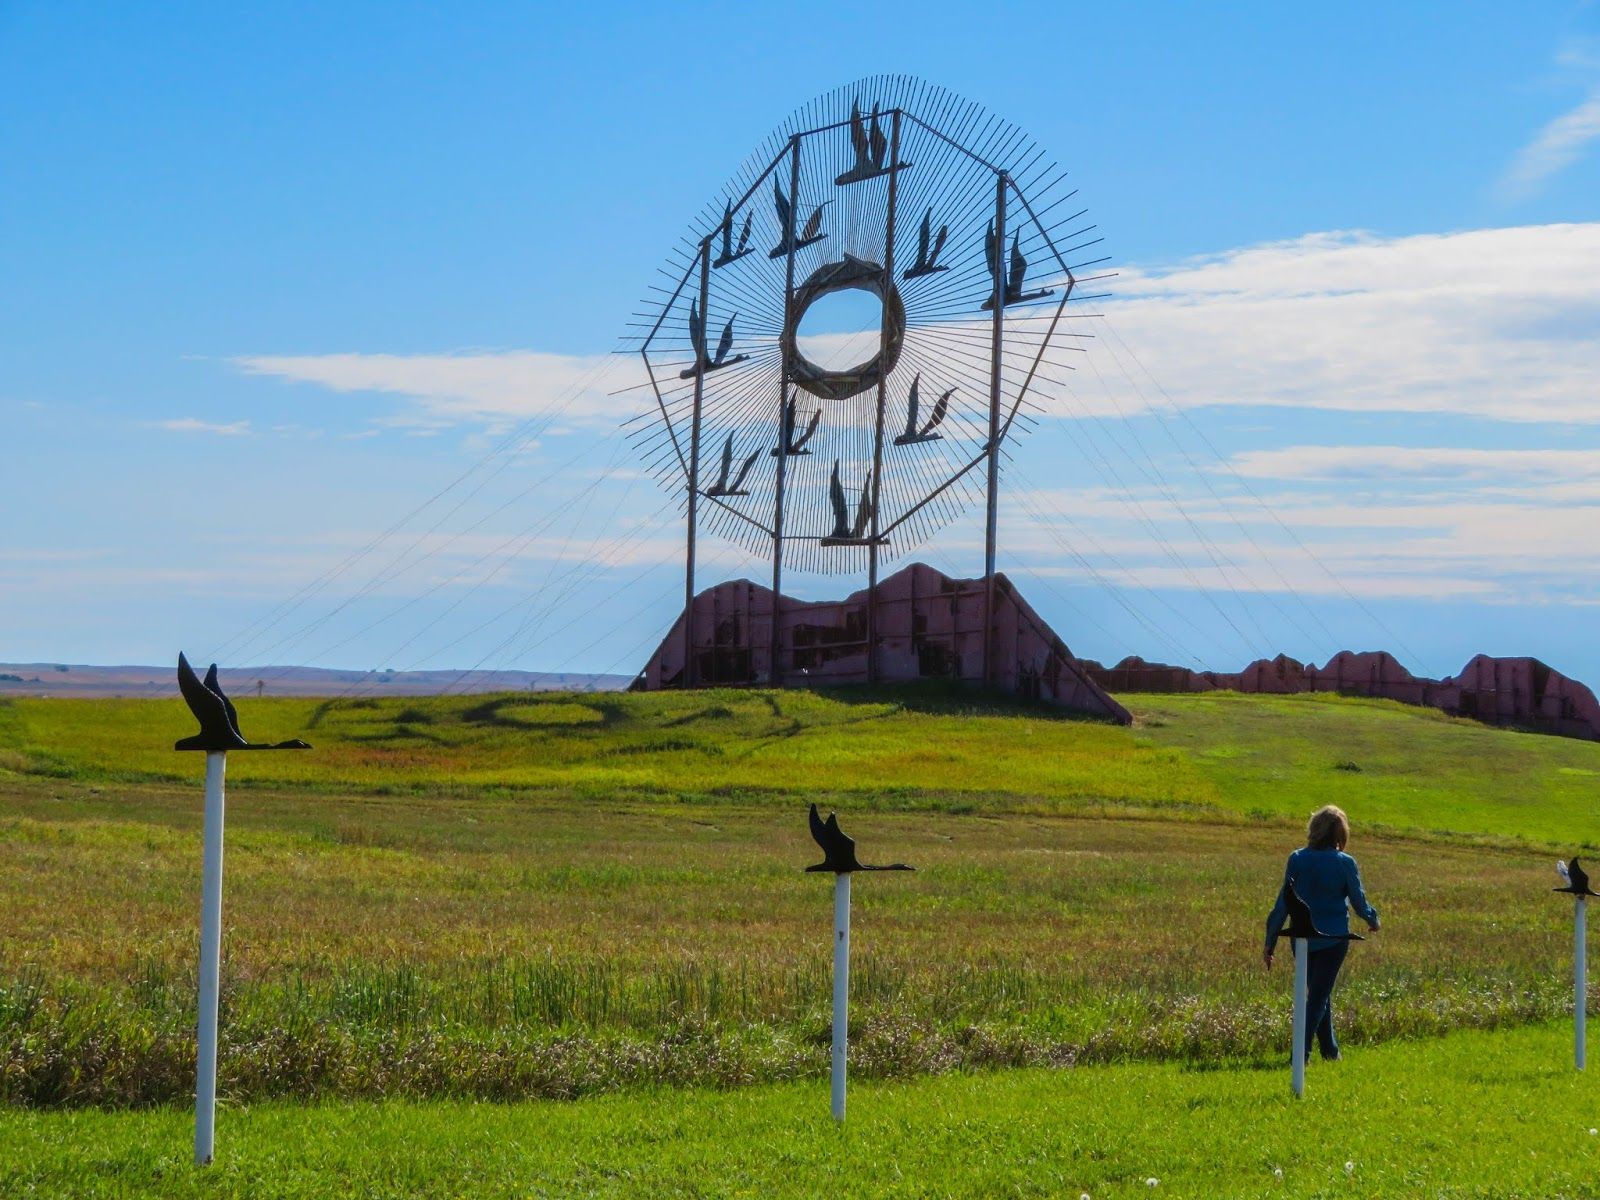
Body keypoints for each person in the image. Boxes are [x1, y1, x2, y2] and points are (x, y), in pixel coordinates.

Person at [1263, 805, 1380, 1062]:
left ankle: (1330, 1051)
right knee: (1318, 996)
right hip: (1334, 940)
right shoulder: (1345, 863)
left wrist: (1270, 942)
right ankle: (1300, 1054)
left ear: (1314, 829)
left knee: (1318, 993)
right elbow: (1358, 901)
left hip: (1302, 940)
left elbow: (1283, 904)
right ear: (1341, 833)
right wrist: (1373, 919)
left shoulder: (1297, 858)